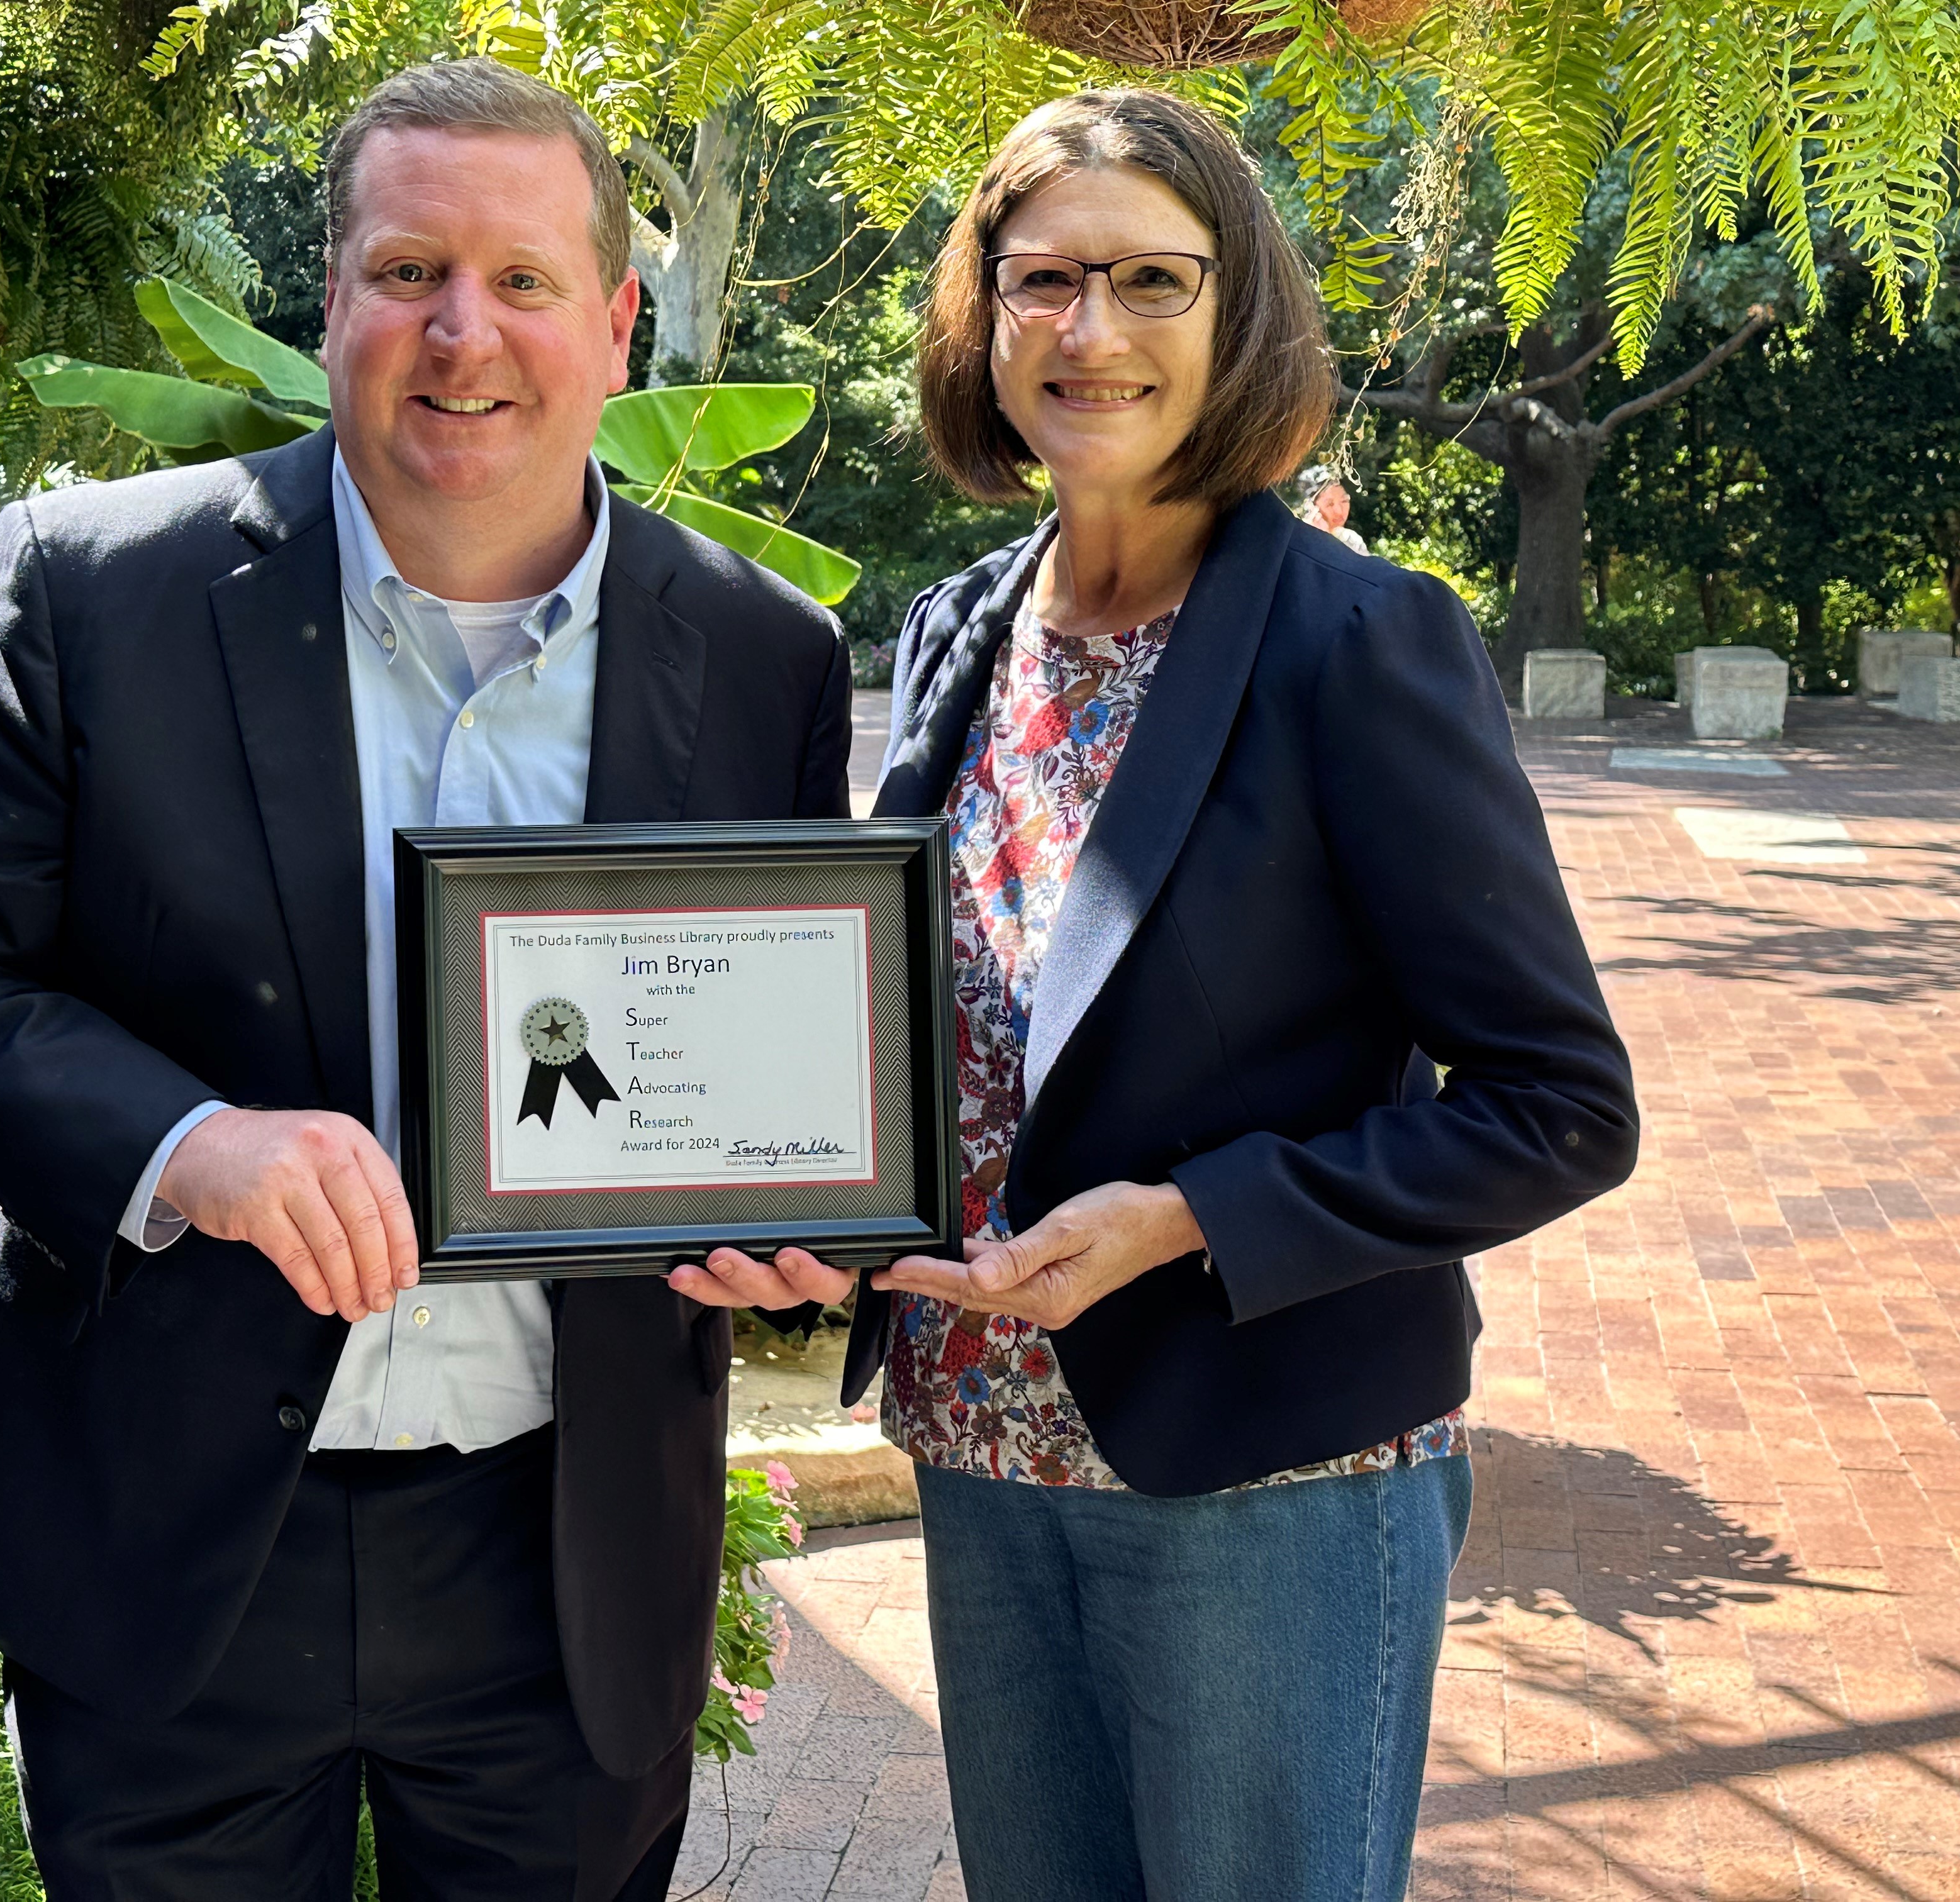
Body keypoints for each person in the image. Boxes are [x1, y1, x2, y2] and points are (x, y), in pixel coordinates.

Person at [0, 58, 851, 1901]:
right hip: (172, 1535)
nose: (466, 333)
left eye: (525, 282)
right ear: (335, 297)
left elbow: (749, 1051)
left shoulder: (763, 653)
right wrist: (186, 1145)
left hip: (562, 1546)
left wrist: (772, 1233)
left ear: (614, 324)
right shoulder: (96, 591)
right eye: (407, 270)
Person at [685, 90, 1639, 1901]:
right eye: (1043, 282)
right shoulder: (965, 625)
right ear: (983, 318)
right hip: (983, 1439)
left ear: (1237, 310)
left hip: (1266, 1479)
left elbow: (1562, 1108)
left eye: (1150, 279)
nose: (1092, 331)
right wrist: (792, 1210)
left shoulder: (1359, 640)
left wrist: (1195, 1217)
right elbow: (931, 1036)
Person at [1305, 465, 1369, 553]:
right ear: (1312, 507)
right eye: (1329, 504)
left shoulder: (1351, 540)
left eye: (1344, 501)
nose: (1339, 511)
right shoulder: (1301, 537)